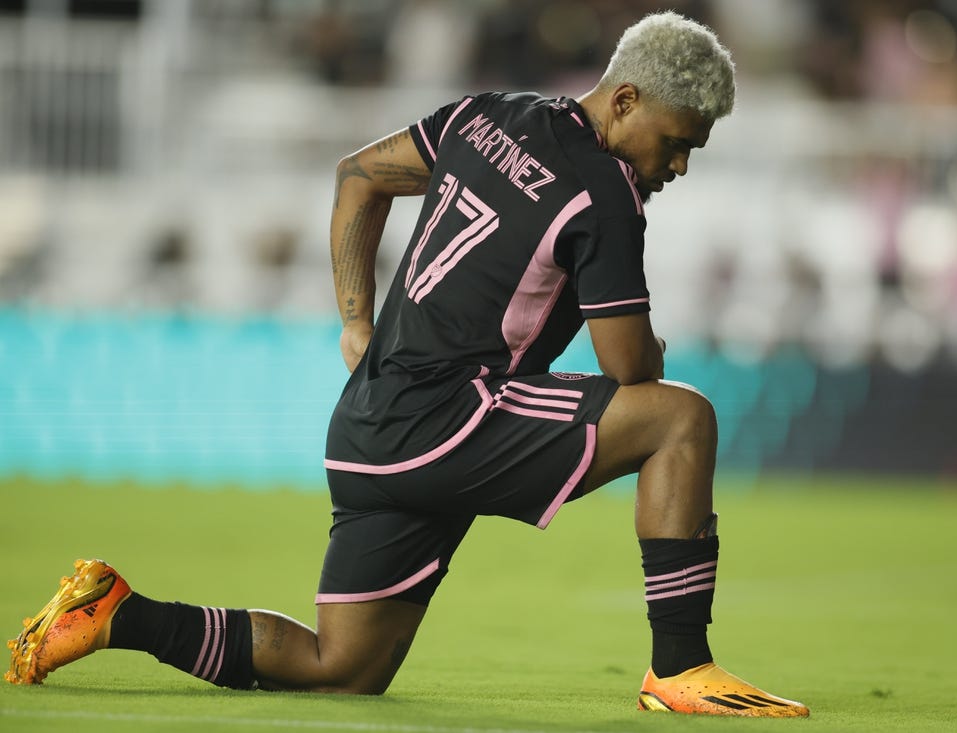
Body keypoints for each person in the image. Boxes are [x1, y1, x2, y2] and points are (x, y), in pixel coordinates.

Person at [6, 11, 809, 718]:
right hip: (453, 419)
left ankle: (119, 612)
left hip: (368, 424)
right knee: (682, 418)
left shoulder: (486, 114)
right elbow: (630, 367)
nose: (677, 168)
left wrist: (356, 322)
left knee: (342, 667)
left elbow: (358, 176)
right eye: (675, 144)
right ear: (626, 99)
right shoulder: (603, 192)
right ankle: (681, 666)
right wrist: (651, 348)